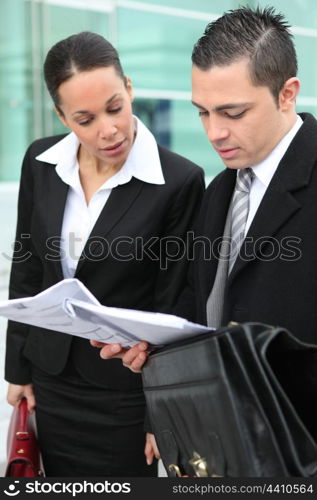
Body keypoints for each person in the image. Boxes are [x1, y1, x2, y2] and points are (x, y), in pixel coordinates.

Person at [97, 5, 317, 455]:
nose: (215, 132)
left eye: (233, 112)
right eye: (202, 112)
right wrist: (153, 347)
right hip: (221, 443)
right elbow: (203, 309)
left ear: (287, 93)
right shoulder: (219, 190)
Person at [5, 31, 204, 477]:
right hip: (51, 378)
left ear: (130, 88)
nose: (108, 129)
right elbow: (28, 265)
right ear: (61, 116)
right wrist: (17, 368)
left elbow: (175, 304)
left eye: (115, 106)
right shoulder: (41, 161)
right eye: (85, 118)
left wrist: (163, 413)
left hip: (124, 393)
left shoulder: (178, 181)